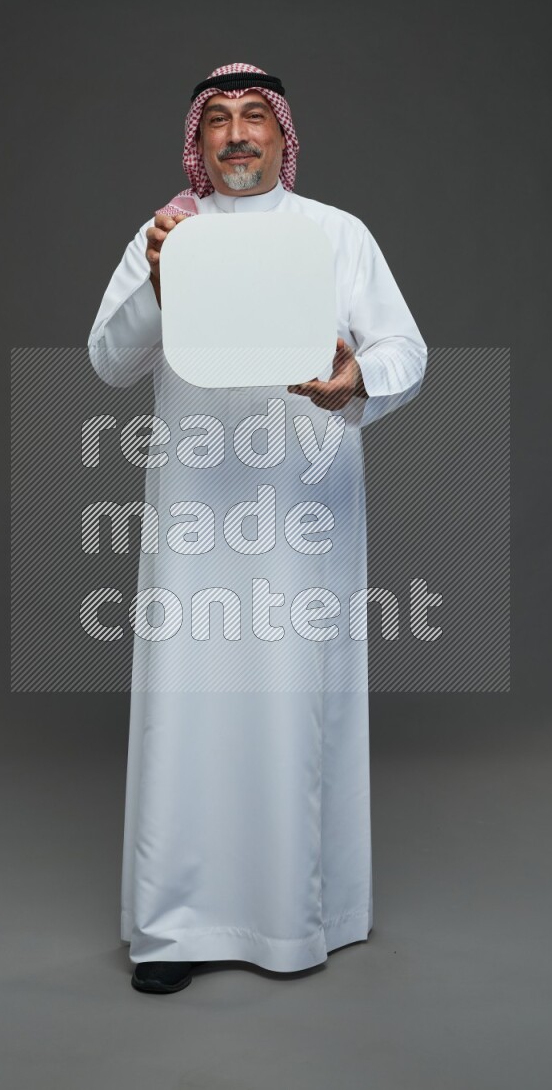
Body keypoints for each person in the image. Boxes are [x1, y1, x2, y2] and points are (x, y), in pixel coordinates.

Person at [88, 62, 428, 994]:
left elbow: (407, 348)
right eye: (219, 123)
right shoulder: (168, 236)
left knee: (290, 708)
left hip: (301, 520)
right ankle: (172, 927)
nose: (238, 135)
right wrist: (159, 282)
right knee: (186, 711)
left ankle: (291, 919)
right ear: (197, 144)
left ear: (283, 135)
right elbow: (110, 361)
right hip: (196, 521)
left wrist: (355, 378)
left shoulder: (335, 235)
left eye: (255, 119)